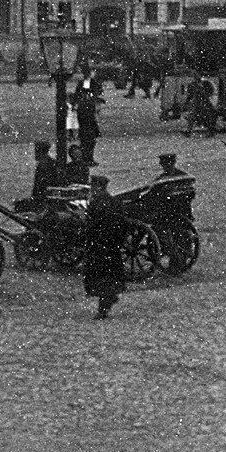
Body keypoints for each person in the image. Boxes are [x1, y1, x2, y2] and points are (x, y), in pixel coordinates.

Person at [82, 175, 129, 317]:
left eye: (93, 187)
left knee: (101, 278)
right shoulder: (114, 201)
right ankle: (110, 297)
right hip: (112, 245)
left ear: (97, 188)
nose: (92, 190)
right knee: (110, 275)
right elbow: (123, 223)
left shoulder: (96, 203)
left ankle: (103, 308)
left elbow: (92, 225)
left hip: (99, 246)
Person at [75, 85, 100, 168]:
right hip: (87, 127)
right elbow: (90, 117)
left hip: (86, 127)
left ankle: (88, 159)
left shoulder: (84, 102)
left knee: (88, 144)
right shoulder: (86, 103)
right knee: (88, 144)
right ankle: (87, 159)